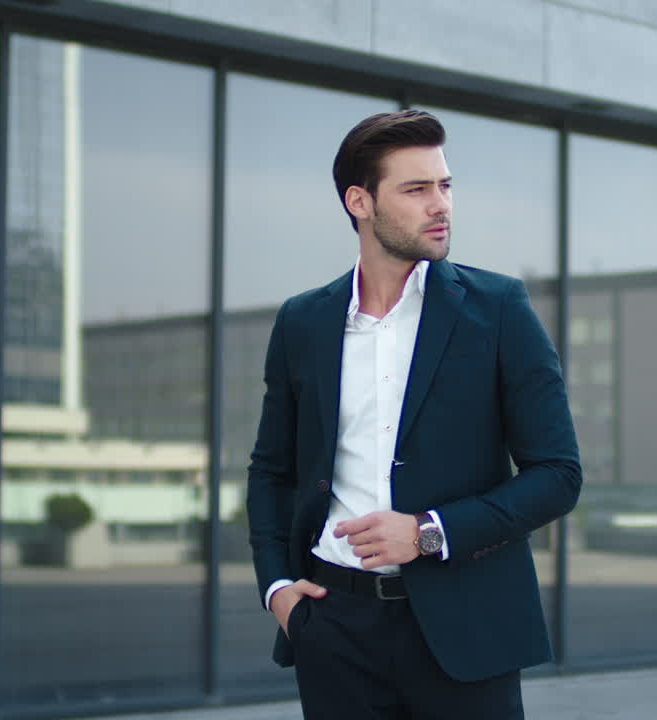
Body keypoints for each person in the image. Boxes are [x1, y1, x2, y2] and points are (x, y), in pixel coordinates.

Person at [246, 109, 581, 719]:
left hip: (466, 628)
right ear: (360, 201)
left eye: (445, 186)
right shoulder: (303, 321)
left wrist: (428, 531)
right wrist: (278, 592)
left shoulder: (499, 308)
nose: (441, 205)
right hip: (334, 628)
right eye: (417, 189)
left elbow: (558, 474)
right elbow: (271, 469)